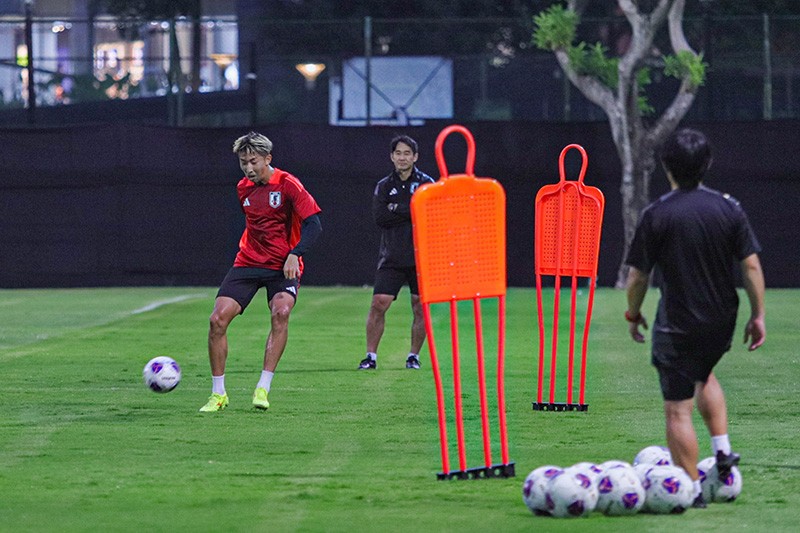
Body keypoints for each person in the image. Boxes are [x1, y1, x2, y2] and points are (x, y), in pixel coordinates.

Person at [624, 128, 766, 508]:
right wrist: (758, 316)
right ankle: (722, 452)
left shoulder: (657, 214)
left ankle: (688, 491)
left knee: (677, 408)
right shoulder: (729, 207)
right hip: (721, 319)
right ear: (707, 164)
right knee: (704, 374)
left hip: (678, 323)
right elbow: (750, 266)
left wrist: (633, 312)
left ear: (666, 166)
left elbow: (638, 276)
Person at [200, 132, 322, 412]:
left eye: (253, 161)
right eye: (243, 162)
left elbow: (314, 224)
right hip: (248, 262)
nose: (248, 168)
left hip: (283, 265)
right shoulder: (243, 188)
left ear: (268, 158)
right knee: (217, 320)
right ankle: (218, 395)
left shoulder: (289, 184)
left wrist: (295, 254)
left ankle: (263, 388)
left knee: (281, 312)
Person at [358, 135, 434, 370]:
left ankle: (414, 356)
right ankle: (371, 356)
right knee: (379, 303)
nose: (402, 157)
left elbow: (430, 215)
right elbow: (380, 218)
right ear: (392, 156)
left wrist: (397, 209)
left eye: (407, 153)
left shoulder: (427, 183)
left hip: (421, 257)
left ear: (415, 157)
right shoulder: (384, 185)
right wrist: (411, 208)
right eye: (398, 153)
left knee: (420, 306)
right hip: (392, 256)